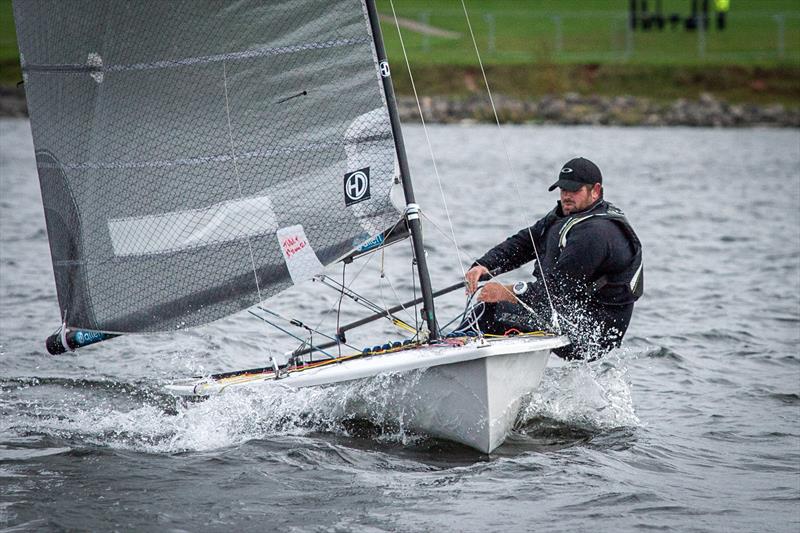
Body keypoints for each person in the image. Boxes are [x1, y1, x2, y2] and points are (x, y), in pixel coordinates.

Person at [461, 157, 643, 360]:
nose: (566, 196)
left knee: (492, 310)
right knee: (497, 312)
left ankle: (455, 351)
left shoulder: (597, 234)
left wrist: (507, 292)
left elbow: (554, 290)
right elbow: (525, 243)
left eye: (574, 190)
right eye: (563, 189)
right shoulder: (566, 216)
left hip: (592, 333)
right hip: (567, 313)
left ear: (596, 190)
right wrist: (484, 265)